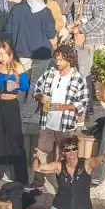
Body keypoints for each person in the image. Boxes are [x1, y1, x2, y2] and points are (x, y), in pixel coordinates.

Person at [32, 45, 87, 181]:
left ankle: (64, 183)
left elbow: (83, 102)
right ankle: (38, 181)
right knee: (41, 153)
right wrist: (40, 97)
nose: (57, 63)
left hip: (66, 125)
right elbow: (37, 89)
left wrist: (65, 107)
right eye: (56, 59)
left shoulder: (78, 78)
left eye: (61, 60)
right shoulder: (50, 72)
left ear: (69, 60)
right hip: (47, 122)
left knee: (65, 156)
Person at [7, 0, 57, 120]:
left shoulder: (17, 9)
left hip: (22, 52)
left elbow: (9, 30)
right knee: (36, 81)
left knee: (23, 78)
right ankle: (28, 111)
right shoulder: (46, 12)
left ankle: (16, 106)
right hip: (42, 53)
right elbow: (51, 34)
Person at [0, 42, 30, 186]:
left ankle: (19, 175)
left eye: (4, 54)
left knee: (15, 138)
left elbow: (25, 86)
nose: (2, 57)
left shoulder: (17, 67)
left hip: (11, 104)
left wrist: (15, 83)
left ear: (10, 54)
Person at [66, 0, 105, 116]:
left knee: (84, 73)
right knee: (81, 72)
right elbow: (72, 12)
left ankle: (85, 109)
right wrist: (71, 25)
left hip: (88, 40)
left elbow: (101, 20)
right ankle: (86, 105)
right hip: (78, 39)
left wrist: (80, 29)